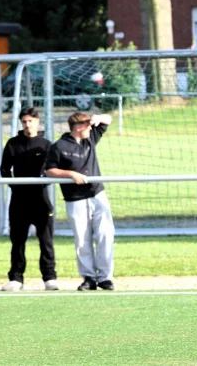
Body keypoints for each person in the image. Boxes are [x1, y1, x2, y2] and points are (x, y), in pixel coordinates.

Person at [45, 112, 115, 291]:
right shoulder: (59, 146)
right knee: (82, 239)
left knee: (105, 235)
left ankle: (105, 277)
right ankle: (89, 277)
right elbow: (50, 170)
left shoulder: (90, 138)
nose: (91, 128)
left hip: (97, 193)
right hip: (75, 198)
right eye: (87, 125)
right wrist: (71, 174)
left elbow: (108, 119)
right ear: (78, 127)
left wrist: (97, 117)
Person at [0, 107, 57, 291]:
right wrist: (15, 185)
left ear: (37, 122)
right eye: (24, 121)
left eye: (30, 121)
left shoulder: (46, 145)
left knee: (46, 240)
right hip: (19, 200)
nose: (27, 124)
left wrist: (42, 183)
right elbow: (4, 170)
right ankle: (16, 278)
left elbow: (52, 169)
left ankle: (49, 277)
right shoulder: (13, 144)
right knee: (17, 240)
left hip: (41, 199)